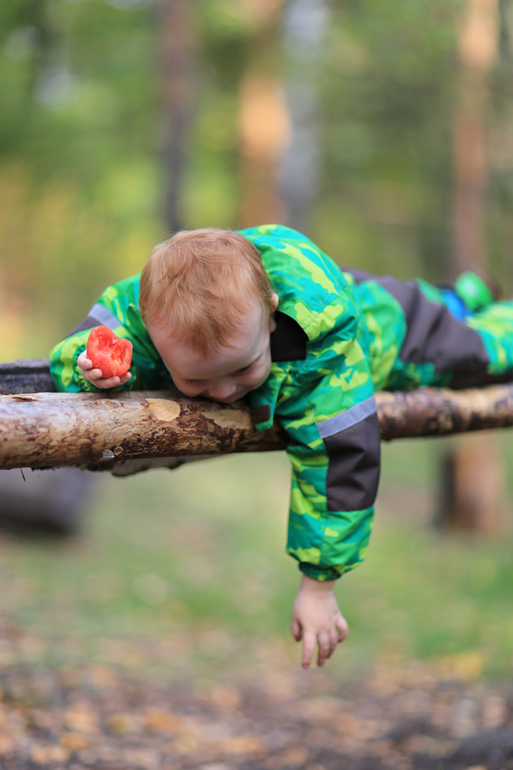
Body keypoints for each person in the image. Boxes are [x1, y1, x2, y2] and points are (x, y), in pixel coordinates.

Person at [49, 224, 513, 668]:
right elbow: (81, 345)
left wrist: (318, 585)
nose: (226, 392)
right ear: (150, 331)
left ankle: (464, 305)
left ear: (271, 314)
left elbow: (339, 461)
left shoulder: (323, 360)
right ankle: (462, 295)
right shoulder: (153, 309)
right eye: (195, 379)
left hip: (398, 332)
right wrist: (91, 367)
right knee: (445, 304)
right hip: (367, 289)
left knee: (486, 349)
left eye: (243, 370)